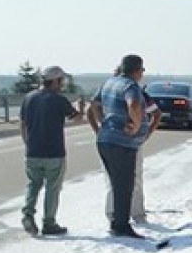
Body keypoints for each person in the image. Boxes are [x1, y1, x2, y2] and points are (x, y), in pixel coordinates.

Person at [19, 65, 82, 236]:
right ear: (55, 81)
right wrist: (80, 107)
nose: (62, 84)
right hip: (54, 152)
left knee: (33, 185)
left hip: (33, 151)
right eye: (61, 80)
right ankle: (49, 222)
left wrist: (28, 143)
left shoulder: (29, 98)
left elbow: (23, 124)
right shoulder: (59, 100)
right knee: (52, 188)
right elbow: (77, 119)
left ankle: (28, 214)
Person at [89, 79, 160, 225]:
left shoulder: (113, 88)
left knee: (124, 180)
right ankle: (120, 216)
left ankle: (129, 214)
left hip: (123, 141)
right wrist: (137, 127)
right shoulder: (122, 89)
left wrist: (101, 128)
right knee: (124, 181)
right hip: (124, 141)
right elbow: (92, 108)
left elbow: (156, 113)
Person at [94, 54, 148, 238]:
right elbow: (133, 104)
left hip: (105, 139)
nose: (142, 73)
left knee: (117, 184)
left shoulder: (109, 83)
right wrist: (136, 125)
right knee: (125, 185)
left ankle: (117, 222)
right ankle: (121, 226)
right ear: (136, 70)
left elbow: (94, 105)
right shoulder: (129, 86)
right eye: (142, 70)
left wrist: (102, 121)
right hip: (122, 143)